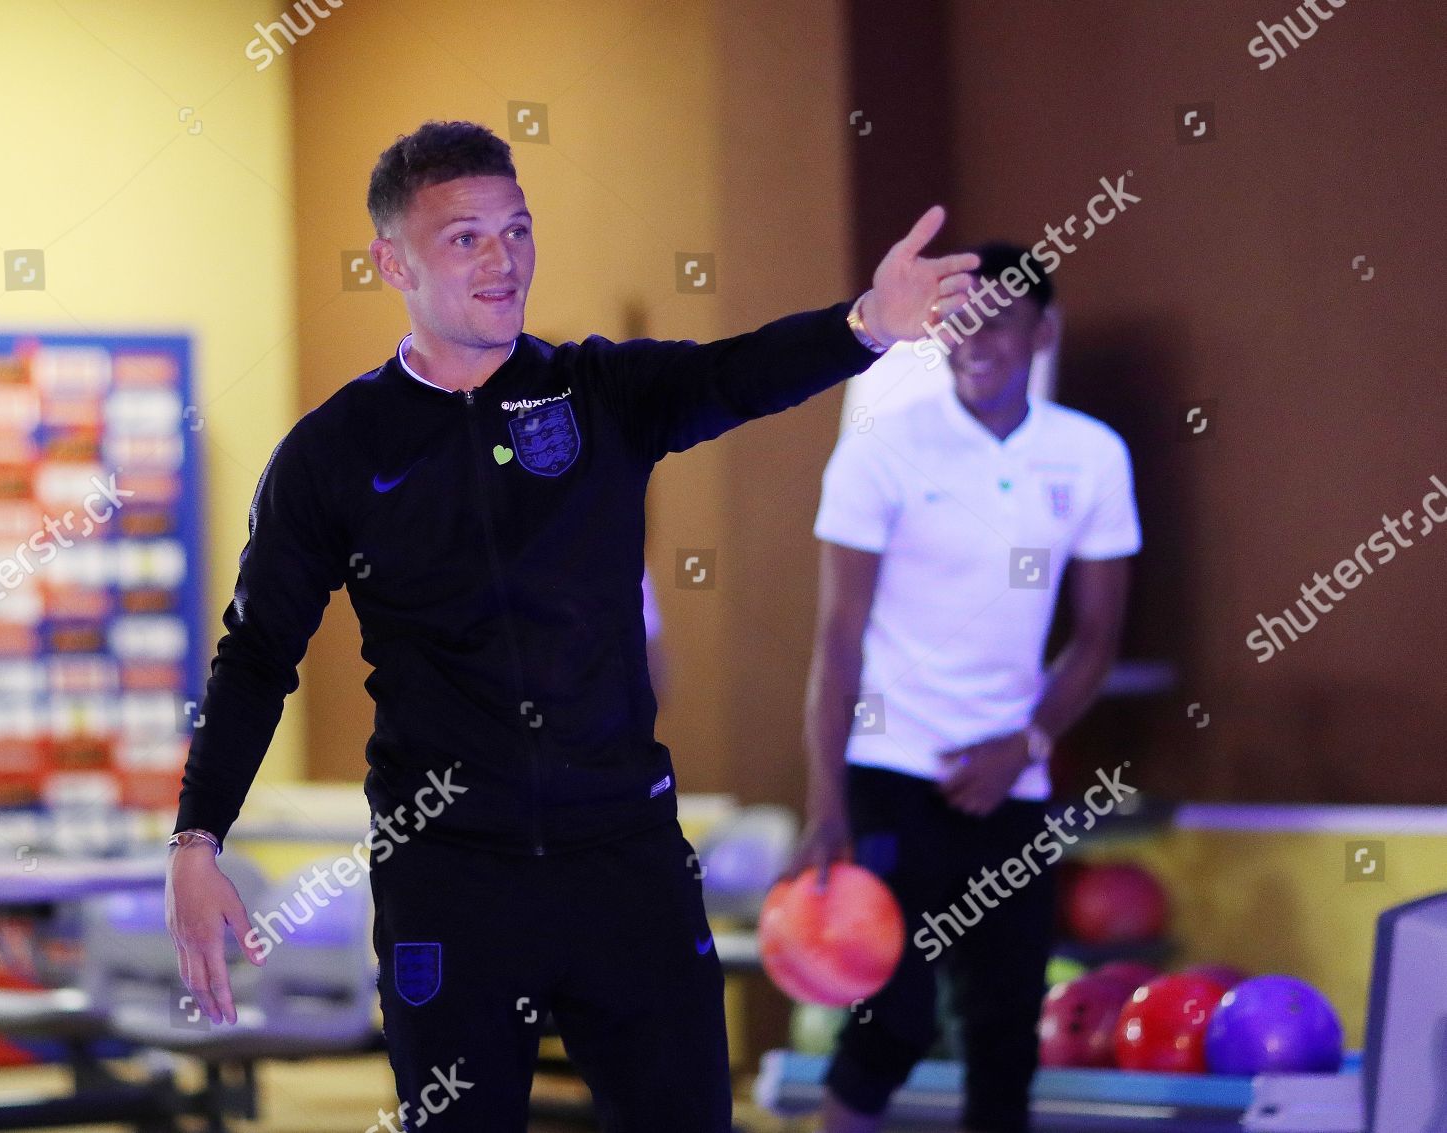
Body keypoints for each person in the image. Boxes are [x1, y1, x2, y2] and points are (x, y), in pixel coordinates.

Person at [163, 119, 982, 1131]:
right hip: (449, 873)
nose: (502, 260)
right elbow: (255, 655)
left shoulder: (596, 393)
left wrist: (860, 323)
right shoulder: (334, 452)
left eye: (517, 230)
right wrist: (198, 839)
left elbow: (733, 373)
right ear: (392, 262)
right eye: (466, 238)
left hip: (624, 858)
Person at [793, 243, 1141, 1133]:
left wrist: (1021, 744)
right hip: (887, 772)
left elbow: (1097, 639)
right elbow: (837, 637)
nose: (975, 340)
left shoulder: (1091, 456)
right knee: (890, 1022)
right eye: (959, 320)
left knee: (1002, 1047)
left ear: (1043, 332)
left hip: (1008, 790)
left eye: (1000, 321)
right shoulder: (881, 451)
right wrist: (826, 800)